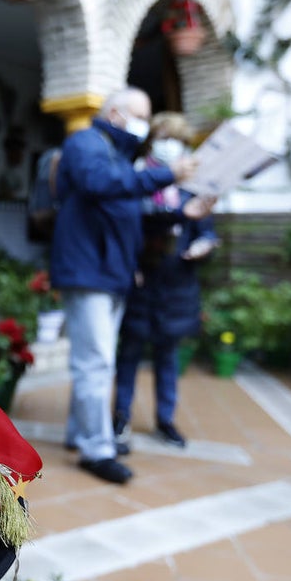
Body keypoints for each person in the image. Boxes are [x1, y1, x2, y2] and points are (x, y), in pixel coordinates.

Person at [49, 87, 209, 485]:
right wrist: (167, 174)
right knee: (96, 361)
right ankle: (96, 449)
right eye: (140, 115)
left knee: (96, 358)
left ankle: (79, 432)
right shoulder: (85, 142)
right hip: (88, 272)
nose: (144, 125)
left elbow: (131, 215)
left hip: (111, 275)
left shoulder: (121, 158)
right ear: (116, 114)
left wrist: (179, 212)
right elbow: (98, 183)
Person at [114, 113, 219, 451]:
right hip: (142, 280)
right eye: (165, 136)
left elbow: (206, 232)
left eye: (178, 140)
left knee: (168, 357)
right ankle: (120, 417)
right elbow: (128, 228)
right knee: (129, 354)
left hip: (177, 284)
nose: (171, 145)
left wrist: (203, 247)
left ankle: (165, 419)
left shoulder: (195, 189)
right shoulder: (137, 179)